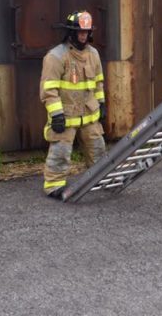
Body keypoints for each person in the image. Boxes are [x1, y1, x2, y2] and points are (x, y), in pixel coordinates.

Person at [39, 10, 107, 199]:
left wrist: (101, 103)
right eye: (80, 32)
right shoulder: (56, 56)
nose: (83, 35)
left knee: (98, 149)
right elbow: (49, 90)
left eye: (86, 32)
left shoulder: (93, 54)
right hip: (66, 115)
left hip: (89, 114)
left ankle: (102, 179)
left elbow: (98, 82)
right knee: (60, 152)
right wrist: (56, 115)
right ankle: (53, 185)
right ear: (71, 32)